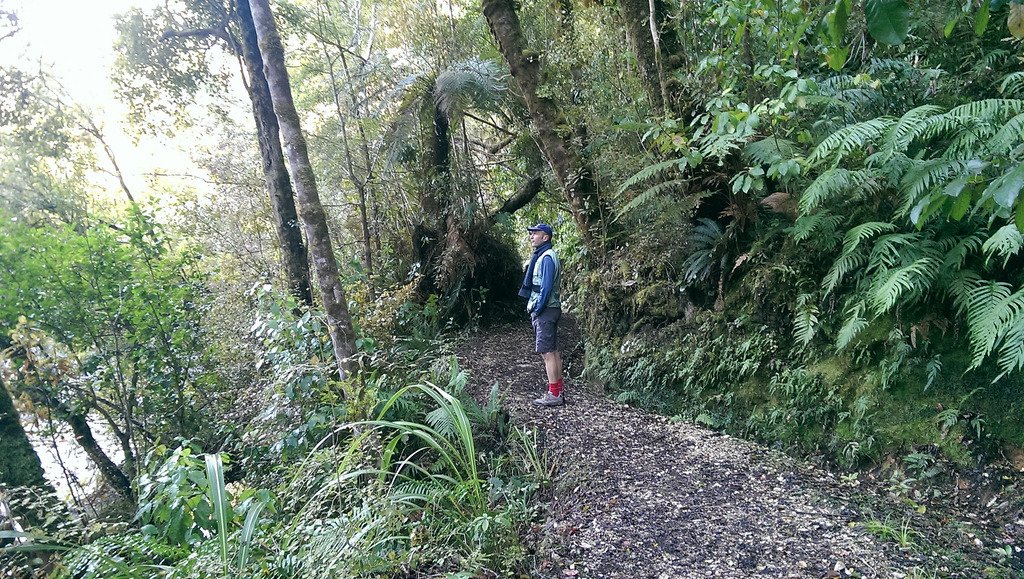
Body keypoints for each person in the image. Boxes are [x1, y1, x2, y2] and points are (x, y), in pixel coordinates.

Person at [519, 223, 564, 407]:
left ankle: (554, 395)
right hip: (550, 308)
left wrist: (537, 309)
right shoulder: (545, 255)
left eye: (535, 233)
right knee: (552, 351)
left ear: (545, 237)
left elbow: (545, 288)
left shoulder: (546, 258)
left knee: (547, 353)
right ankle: (558, 390)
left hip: (546, 309)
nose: (532, 236)